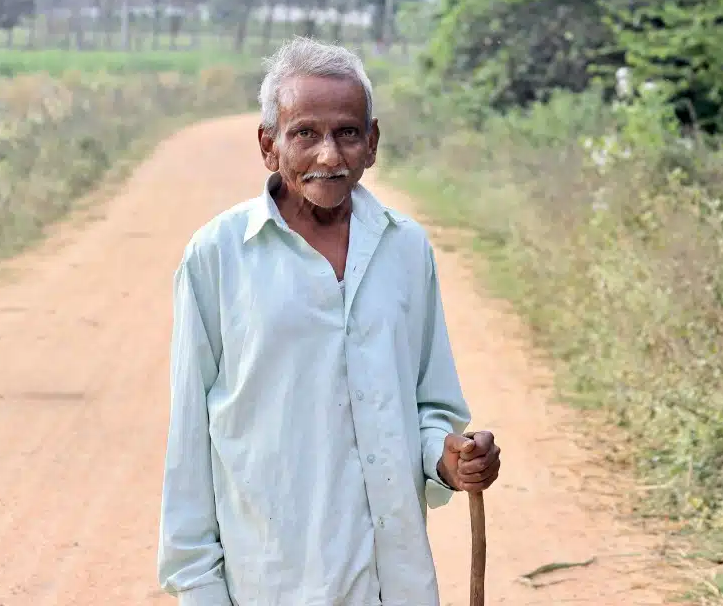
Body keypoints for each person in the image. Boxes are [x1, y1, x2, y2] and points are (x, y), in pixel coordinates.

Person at [156, 37, 501, 606]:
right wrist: (198, 584)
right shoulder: (217, 255)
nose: (328, 155)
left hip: (395, 581)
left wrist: (449, 458)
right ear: (269, 146)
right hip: (274, 580)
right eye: (304, 134)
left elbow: (428, 402)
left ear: (372, 143)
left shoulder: (405, 247)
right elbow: (190, 436)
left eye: (347, 133)